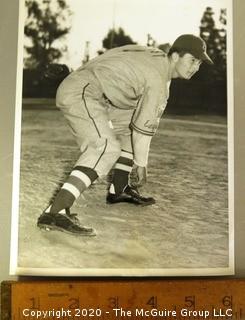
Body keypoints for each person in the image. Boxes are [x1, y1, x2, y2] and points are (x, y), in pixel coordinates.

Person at [37, 34, 213, 236]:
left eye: (199, 63)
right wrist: (141, 163)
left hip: (98, 92)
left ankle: (118, 189)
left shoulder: (155, 56)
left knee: (129, 129)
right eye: (192, 60)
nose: (195, 67)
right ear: (175, 56)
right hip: (85, 91)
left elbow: (115, 61)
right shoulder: (159, 80)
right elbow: (144, 131)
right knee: (105, 147)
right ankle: (55, 211)